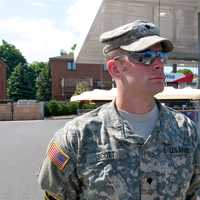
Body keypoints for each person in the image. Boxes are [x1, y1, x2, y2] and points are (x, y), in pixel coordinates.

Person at [38, 20, 200, 200]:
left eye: (161, 56)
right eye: (145, 57)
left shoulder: (187, 132)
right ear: (115, 68)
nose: (159, 64)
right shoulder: (76, 138)